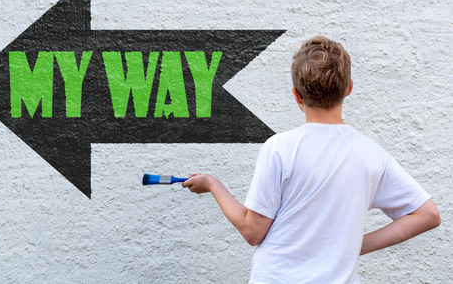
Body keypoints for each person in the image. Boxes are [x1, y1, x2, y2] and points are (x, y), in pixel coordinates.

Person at [182, 36, 441, 283]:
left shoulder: (280, 148)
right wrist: (351, 247)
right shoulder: (372, 154)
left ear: (297, 95)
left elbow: (252, 232)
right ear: (349, 88)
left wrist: (213, 185)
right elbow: (428, 215)